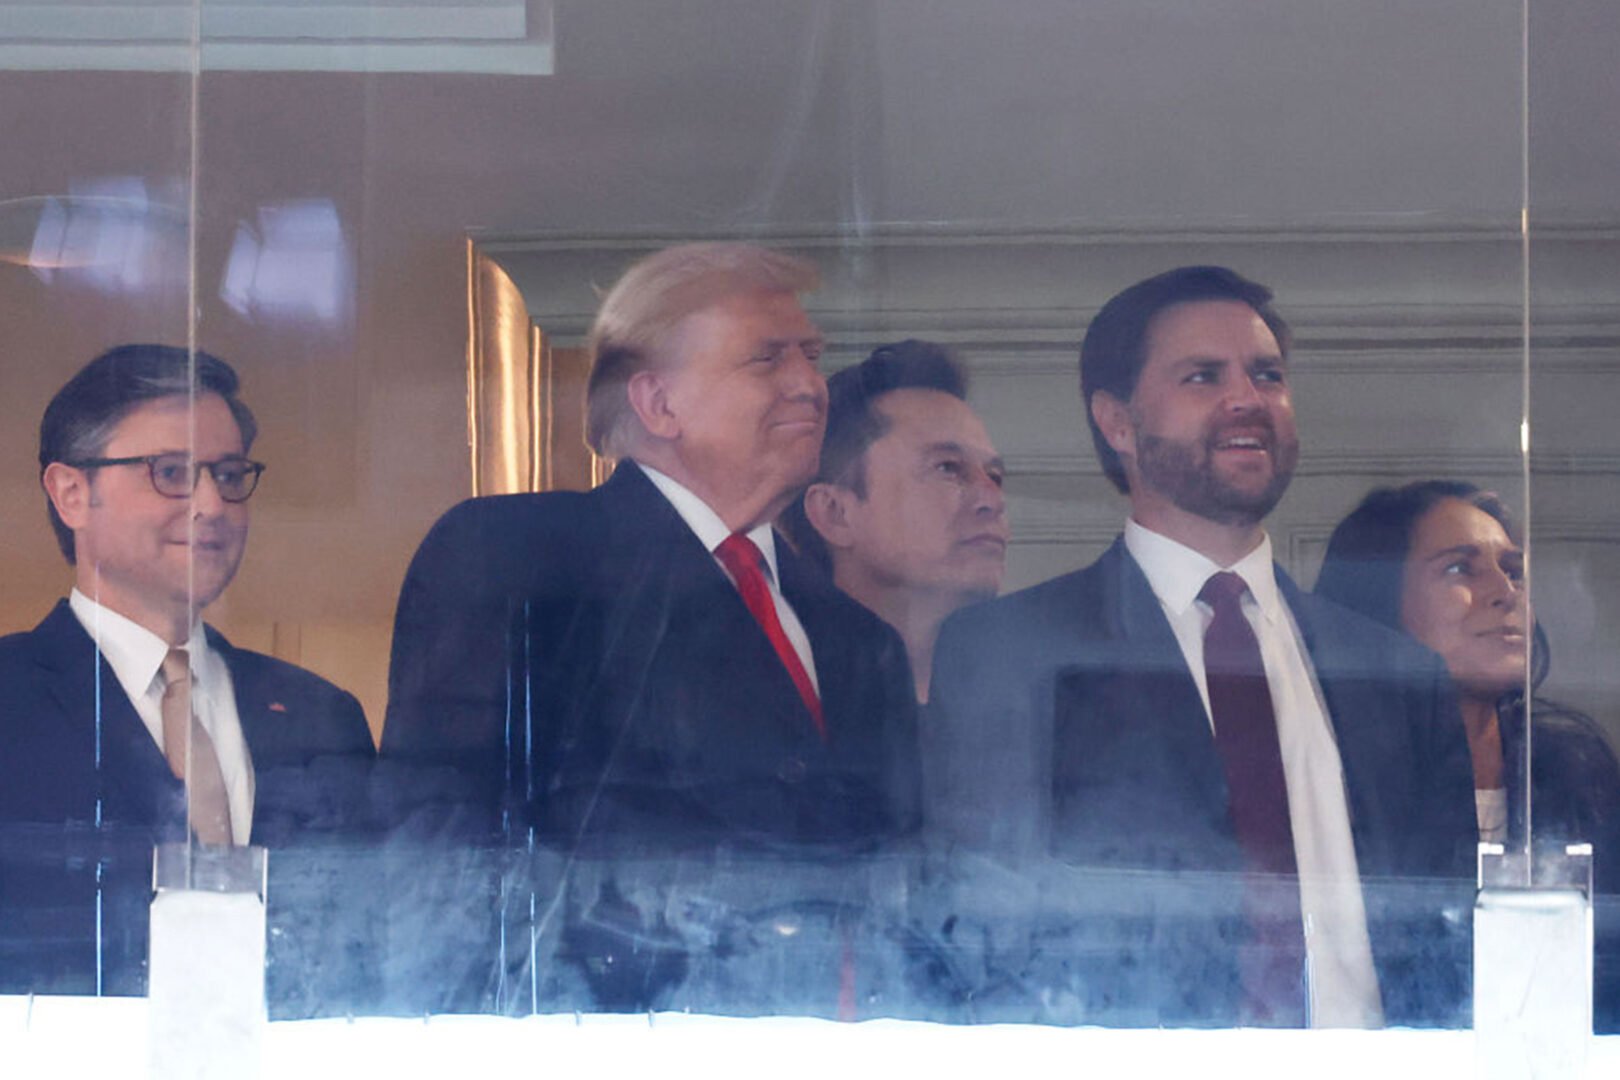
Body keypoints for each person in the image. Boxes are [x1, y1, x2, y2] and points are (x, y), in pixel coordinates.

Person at [928, 265, 1477, 1027]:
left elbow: (1452, 945)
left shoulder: (1397, 672)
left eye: (1267, 375)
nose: (1247, 399)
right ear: (1117, 422)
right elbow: (986, 936)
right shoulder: (1011, 655)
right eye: (1202, 376)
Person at [381, 243, 920, 1013]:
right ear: (657, 403)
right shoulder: (521, 558)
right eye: (767, 360)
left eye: (812, 355)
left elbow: (898, 897)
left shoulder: (860, 641)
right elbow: (438, 856)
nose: (810, 384)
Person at [0, 344, 375, 998]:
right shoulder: (12, 699)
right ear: (71, 493)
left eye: (229, 475)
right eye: (171, 472)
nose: (211, 503)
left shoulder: (321, 714)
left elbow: (371, 944)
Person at [1316, 479, 1620, 1030]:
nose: (1505, 592)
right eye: (1460, 568)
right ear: (1375, 604)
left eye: (1514, 570)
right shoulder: (1332, 787)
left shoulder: (1581, 778)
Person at [787, 340, 1008, 703]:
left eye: (995, 476)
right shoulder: (771, 697)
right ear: (834, 513)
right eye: (948, 468)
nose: (992, 499)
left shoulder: (1033, 698)